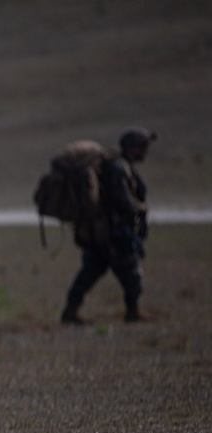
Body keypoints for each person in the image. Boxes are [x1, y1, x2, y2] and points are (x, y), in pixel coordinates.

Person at [61, 126, 156, 325]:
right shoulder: (119, 169)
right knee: (131, 274)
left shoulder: (116, 165)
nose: (145, 151)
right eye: (142, 146)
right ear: (132, 147)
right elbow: (121, 199)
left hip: (101, 233)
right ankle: (133, 311)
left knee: (89, 273)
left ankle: (71, 310)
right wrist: (139, 208)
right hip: (114, 234)